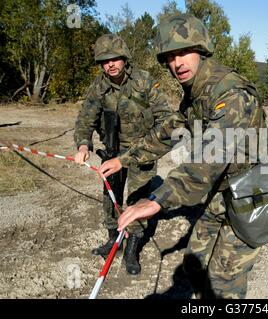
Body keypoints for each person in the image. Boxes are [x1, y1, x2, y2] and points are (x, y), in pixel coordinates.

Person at [99, 14, 268, 298]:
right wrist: (124, 158)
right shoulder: (197, 91)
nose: (177, 63)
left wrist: (156, 200)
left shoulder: (231, 95)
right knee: (195, 268)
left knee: (222, 286)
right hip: (219, 191)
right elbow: (172, 130)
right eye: (170, 56)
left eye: (184, 52)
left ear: (201, 49)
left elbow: (209, 160)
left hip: (249, 190)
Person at [73, 34, 173, 275]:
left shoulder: (143, 81)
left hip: (142, 151)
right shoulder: (98, 86)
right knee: (111, 197)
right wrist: (83, 145)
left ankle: (132, 248)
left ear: (124, 58)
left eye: (115, 58)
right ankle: (112, 240)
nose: (110, 64)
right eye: (104, 61)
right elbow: (85, 119)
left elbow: (166, 118)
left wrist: (151, 145)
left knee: (138, 198)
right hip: (112, 150)